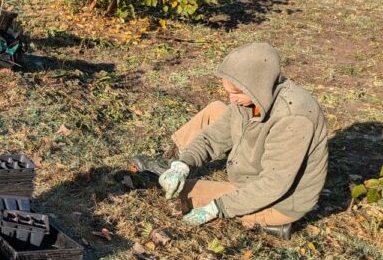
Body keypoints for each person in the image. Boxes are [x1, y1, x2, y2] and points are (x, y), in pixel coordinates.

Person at [131, 42, 328, 238]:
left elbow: (273, 184)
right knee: (215, 110)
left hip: (281, 200)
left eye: (237, 93)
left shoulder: (293, 118)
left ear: (257, 85)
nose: (232, 99)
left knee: (185, 191)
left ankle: (273, 222)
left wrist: (219, 208)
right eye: (229, 92)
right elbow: (212, 136)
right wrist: (183, 164)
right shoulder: (256, 97)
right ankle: (172, 163)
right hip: (257, 166)